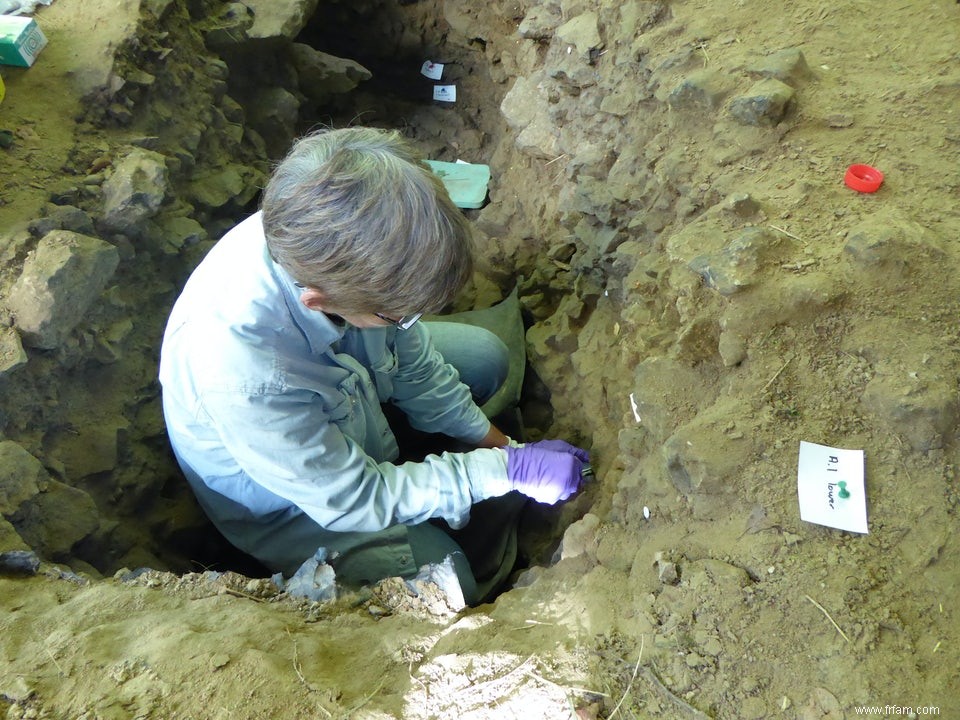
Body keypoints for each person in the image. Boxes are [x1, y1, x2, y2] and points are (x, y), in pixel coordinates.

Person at [158, 126, 590, 605]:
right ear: (318, 300)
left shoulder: (326, 233)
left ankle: (413, 446)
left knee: (486, 358)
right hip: (295, 502)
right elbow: (356, 499)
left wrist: (501, 445)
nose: (406, 323)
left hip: (341, 401)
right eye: (395, 314)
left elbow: (412, 358)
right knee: (446, 585)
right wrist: (500, 473)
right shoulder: (249, 375)